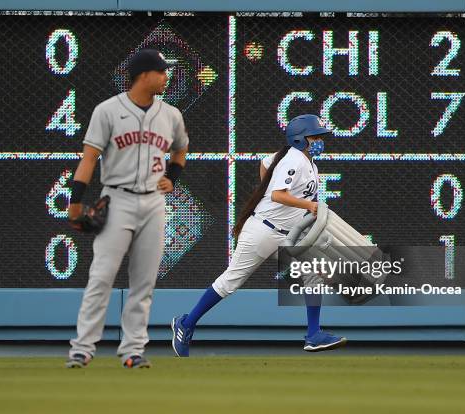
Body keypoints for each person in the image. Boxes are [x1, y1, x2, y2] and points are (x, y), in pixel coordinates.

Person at [171, 114, 346, 357]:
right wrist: (307, 206)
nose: (319, 141)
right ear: (299, 140)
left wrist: (277, 191)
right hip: (263, 231)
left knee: (312, 274)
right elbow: (277, 195)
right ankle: (186, 323)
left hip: (287, 235)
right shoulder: (294, 159)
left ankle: (314, 334)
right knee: (230, 282)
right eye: (314, 136)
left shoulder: (302, 161)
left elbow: (265, 164)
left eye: (319, 137)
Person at [66, 49, 189, 369]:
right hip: (117, 198)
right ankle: (82, 348)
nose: (166, 76)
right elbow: (89, 159)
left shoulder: (171, 114)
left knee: (144, 280)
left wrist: (172, 178)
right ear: (143, 75)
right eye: (161, 72)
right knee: (101, 276)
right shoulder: (107, 111)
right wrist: (75, 202)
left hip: (153, 202)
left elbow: (181, 149)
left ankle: (133, 350)